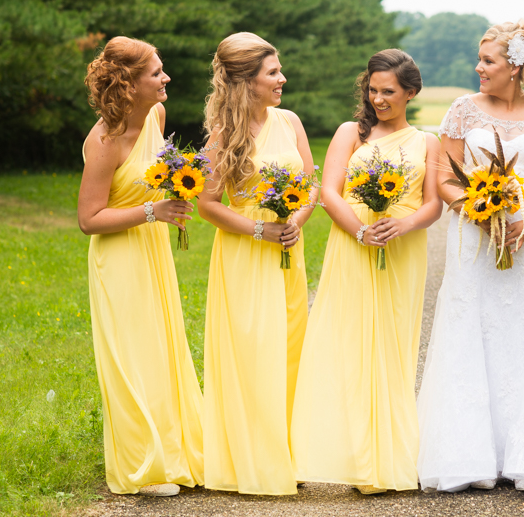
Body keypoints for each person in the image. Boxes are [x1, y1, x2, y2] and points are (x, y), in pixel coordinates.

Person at [417, 20, 524, 495]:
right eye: (480, 59)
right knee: (472, 328)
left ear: (516, 66)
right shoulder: (463, 110)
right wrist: (476, 209)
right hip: (474, 240)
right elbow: (445, 177)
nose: (478, 68)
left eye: (488, 61)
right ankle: (470, 455)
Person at [291, 49, 442, 495]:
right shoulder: (350, 133)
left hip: (403, 248)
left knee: (395, 345)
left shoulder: (427, 142)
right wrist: (360, 231)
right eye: (373, 90)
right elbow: (328, 192)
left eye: (389, 91)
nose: (378, 98)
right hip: (353, 245)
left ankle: (389, 456)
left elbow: (433, 202)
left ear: (411, 93)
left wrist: (403, 224)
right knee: (351, 342)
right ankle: (351, 456)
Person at [77, 36, 203, 497]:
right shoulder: (105, 141)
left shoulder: (156, 116)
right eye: (156, 73)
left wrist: (175, 190)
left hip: (153, 253)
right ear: (129, 85)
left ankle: (173, 453)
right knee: (131, 355)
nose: (166, 78)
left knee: (162, 348)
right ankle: (141, 465)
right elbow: (89, 219)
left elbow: (156, 173)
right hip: (120, 258)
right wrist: (154, 212)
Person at [197, 32, 317, 495]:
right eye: (273, 72)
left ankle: (287, 453)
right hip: (245, 251)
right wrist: (259, 230)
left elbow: (310, 184)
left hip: (289, 248)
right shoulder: (224, 136)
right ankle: (251, 458)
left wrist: (298, 221)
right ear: (246, 81)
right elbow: (208, 204)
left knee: (289, 349)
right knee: (253, 350)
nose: (282, 78)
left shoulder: (290, 121)